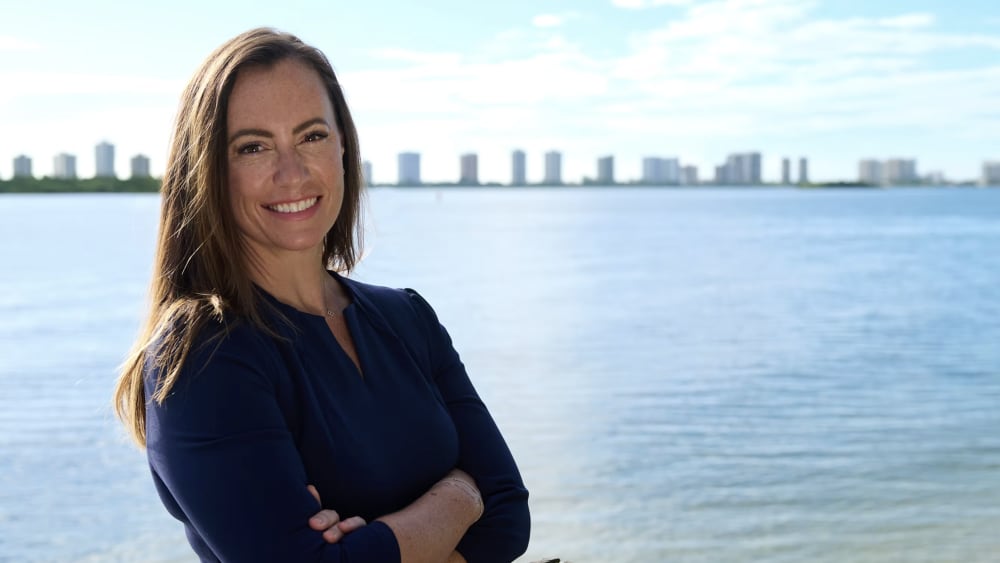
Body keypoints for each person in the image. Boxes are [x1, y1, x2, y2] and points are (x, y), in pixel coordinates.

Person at [113, 27, 530, 562]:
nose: (292, 172)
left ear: (343, 147)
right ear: (209, 172)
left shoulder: (408, 318)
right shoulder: (199, 355)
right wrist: (460, 496)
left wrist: (378, 544)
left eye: (311, 136)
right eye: (253, 147)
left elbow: (509, 517)